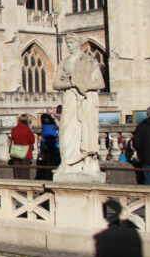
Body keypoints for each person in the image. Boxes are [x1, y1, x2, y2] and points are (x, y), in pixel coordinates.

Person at [53, 33, 105, 177]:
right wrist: (71, 83)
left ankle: (86, 160)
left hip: (85, 99)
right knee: (64, 131)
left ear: (78, 44)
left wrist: (83, 85)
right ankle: (67, 163)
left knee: (85, 129)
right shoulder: (64, 62)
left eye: (71, 43)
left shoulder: (89, 61)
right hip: (69, 98)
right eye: (67, 43)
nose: (69, 46)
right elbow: (56, 83)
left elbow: (100, 83)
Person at [132, 106, 150, 185]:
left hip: (146, 157)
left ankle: (148, 197)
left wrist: (141, 151)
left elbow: (136, 142)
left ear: (147, 114)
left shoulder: (141, 126)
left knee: (148, 182)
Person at [36, 111, 61, 180]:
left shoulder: (44, 122)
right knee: (54, 163)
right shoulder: (55, 122)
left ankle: (47, 177)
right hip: (54, 145)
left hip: (45, 145)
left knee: (47, 163)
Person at [8, 114, 35, 179]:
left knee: (17, 173)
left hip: (16, 152)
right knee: (25, 173)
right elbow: (32, 141)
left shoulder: (14, 129)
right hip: (25, 153)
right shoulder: (27, 129)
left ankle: (17, 187)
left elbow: (12, 140)